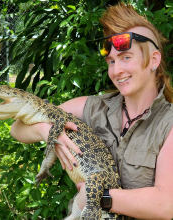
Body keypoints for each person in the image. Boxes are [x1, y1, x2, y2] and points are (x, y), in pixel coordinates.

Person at [10, 2, 173, 220]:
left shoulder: (168, 122)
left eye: (126, 57)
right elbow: (18, 129)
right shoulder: (92, 107)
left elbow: (165, 205)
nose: (117, 70)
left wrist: (96, 196)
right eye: (111, 61)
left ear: (153, 60)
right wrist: (47, 131)